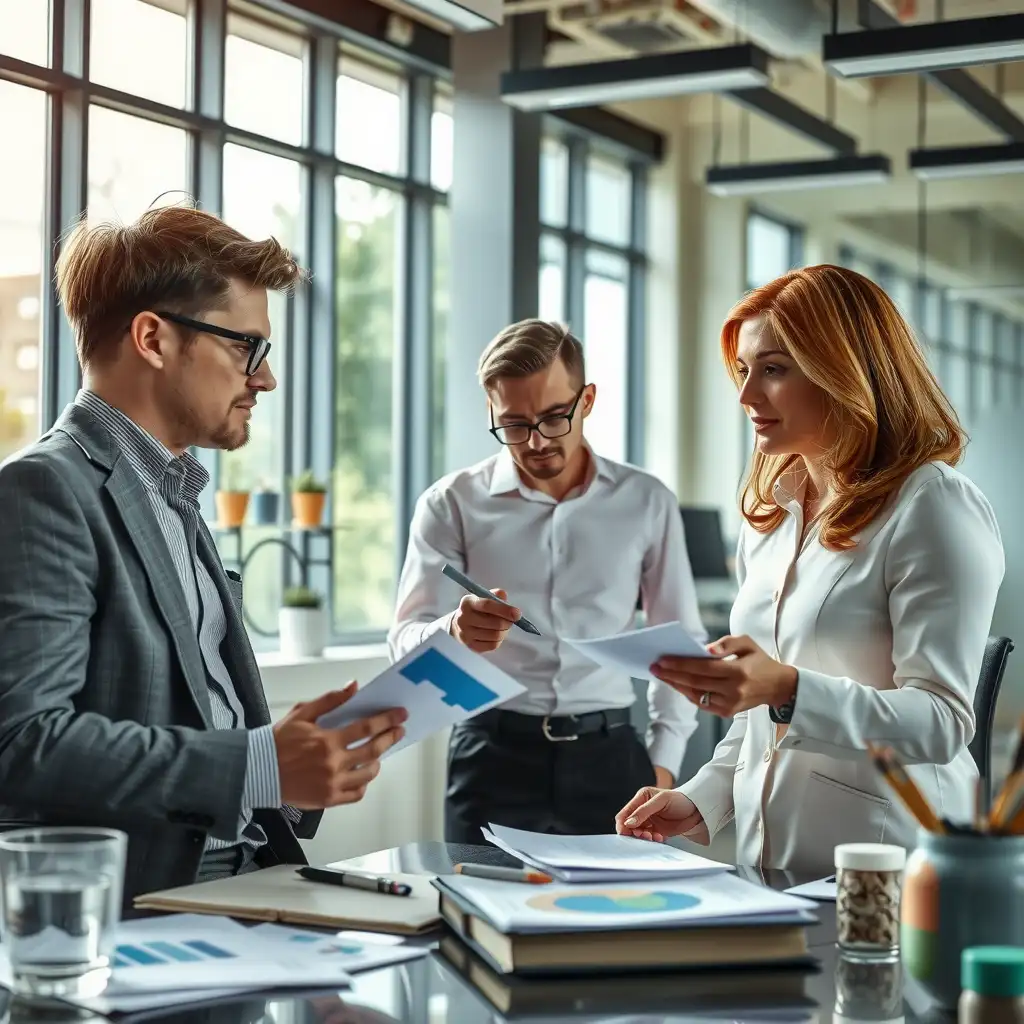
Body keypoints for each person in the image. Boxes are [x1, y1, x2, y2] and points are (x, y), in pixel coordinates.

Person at [0, 204, 407, 908]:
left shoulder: (173, 489)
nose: (267, 379)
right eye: (246, 346)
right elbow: (24, 744)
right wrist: (257, 765)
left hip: (251, 887)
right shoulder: (46, 488)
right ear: (153, 339)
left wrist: (297, 755)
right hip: (142, 910)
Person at [616, 264, 1005, 875]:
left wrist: (788, 689)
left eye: (773, 370)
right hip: (769, 870)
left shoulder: (932, 504)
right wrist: (699, 799)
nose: (746, 397)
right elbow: (756, 724)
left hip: (891, 871)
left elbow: (942, 722)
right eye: (744, 372)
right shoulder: (771, 517)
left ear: (844, 371)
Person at [389, 318, 706, 842]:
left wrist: (664, 766)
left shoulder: (647, 501)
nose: (536, 442)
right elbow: (402, 641)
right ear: (491, 412)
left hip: (613, 760)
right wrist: (452, 630)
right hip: (490, 755)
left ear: (587, 401)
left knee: (623, 918)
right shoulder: (450, 504)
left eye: (555, 417)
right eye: (514, 425)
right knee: (479, 913)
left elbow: (682, 642)